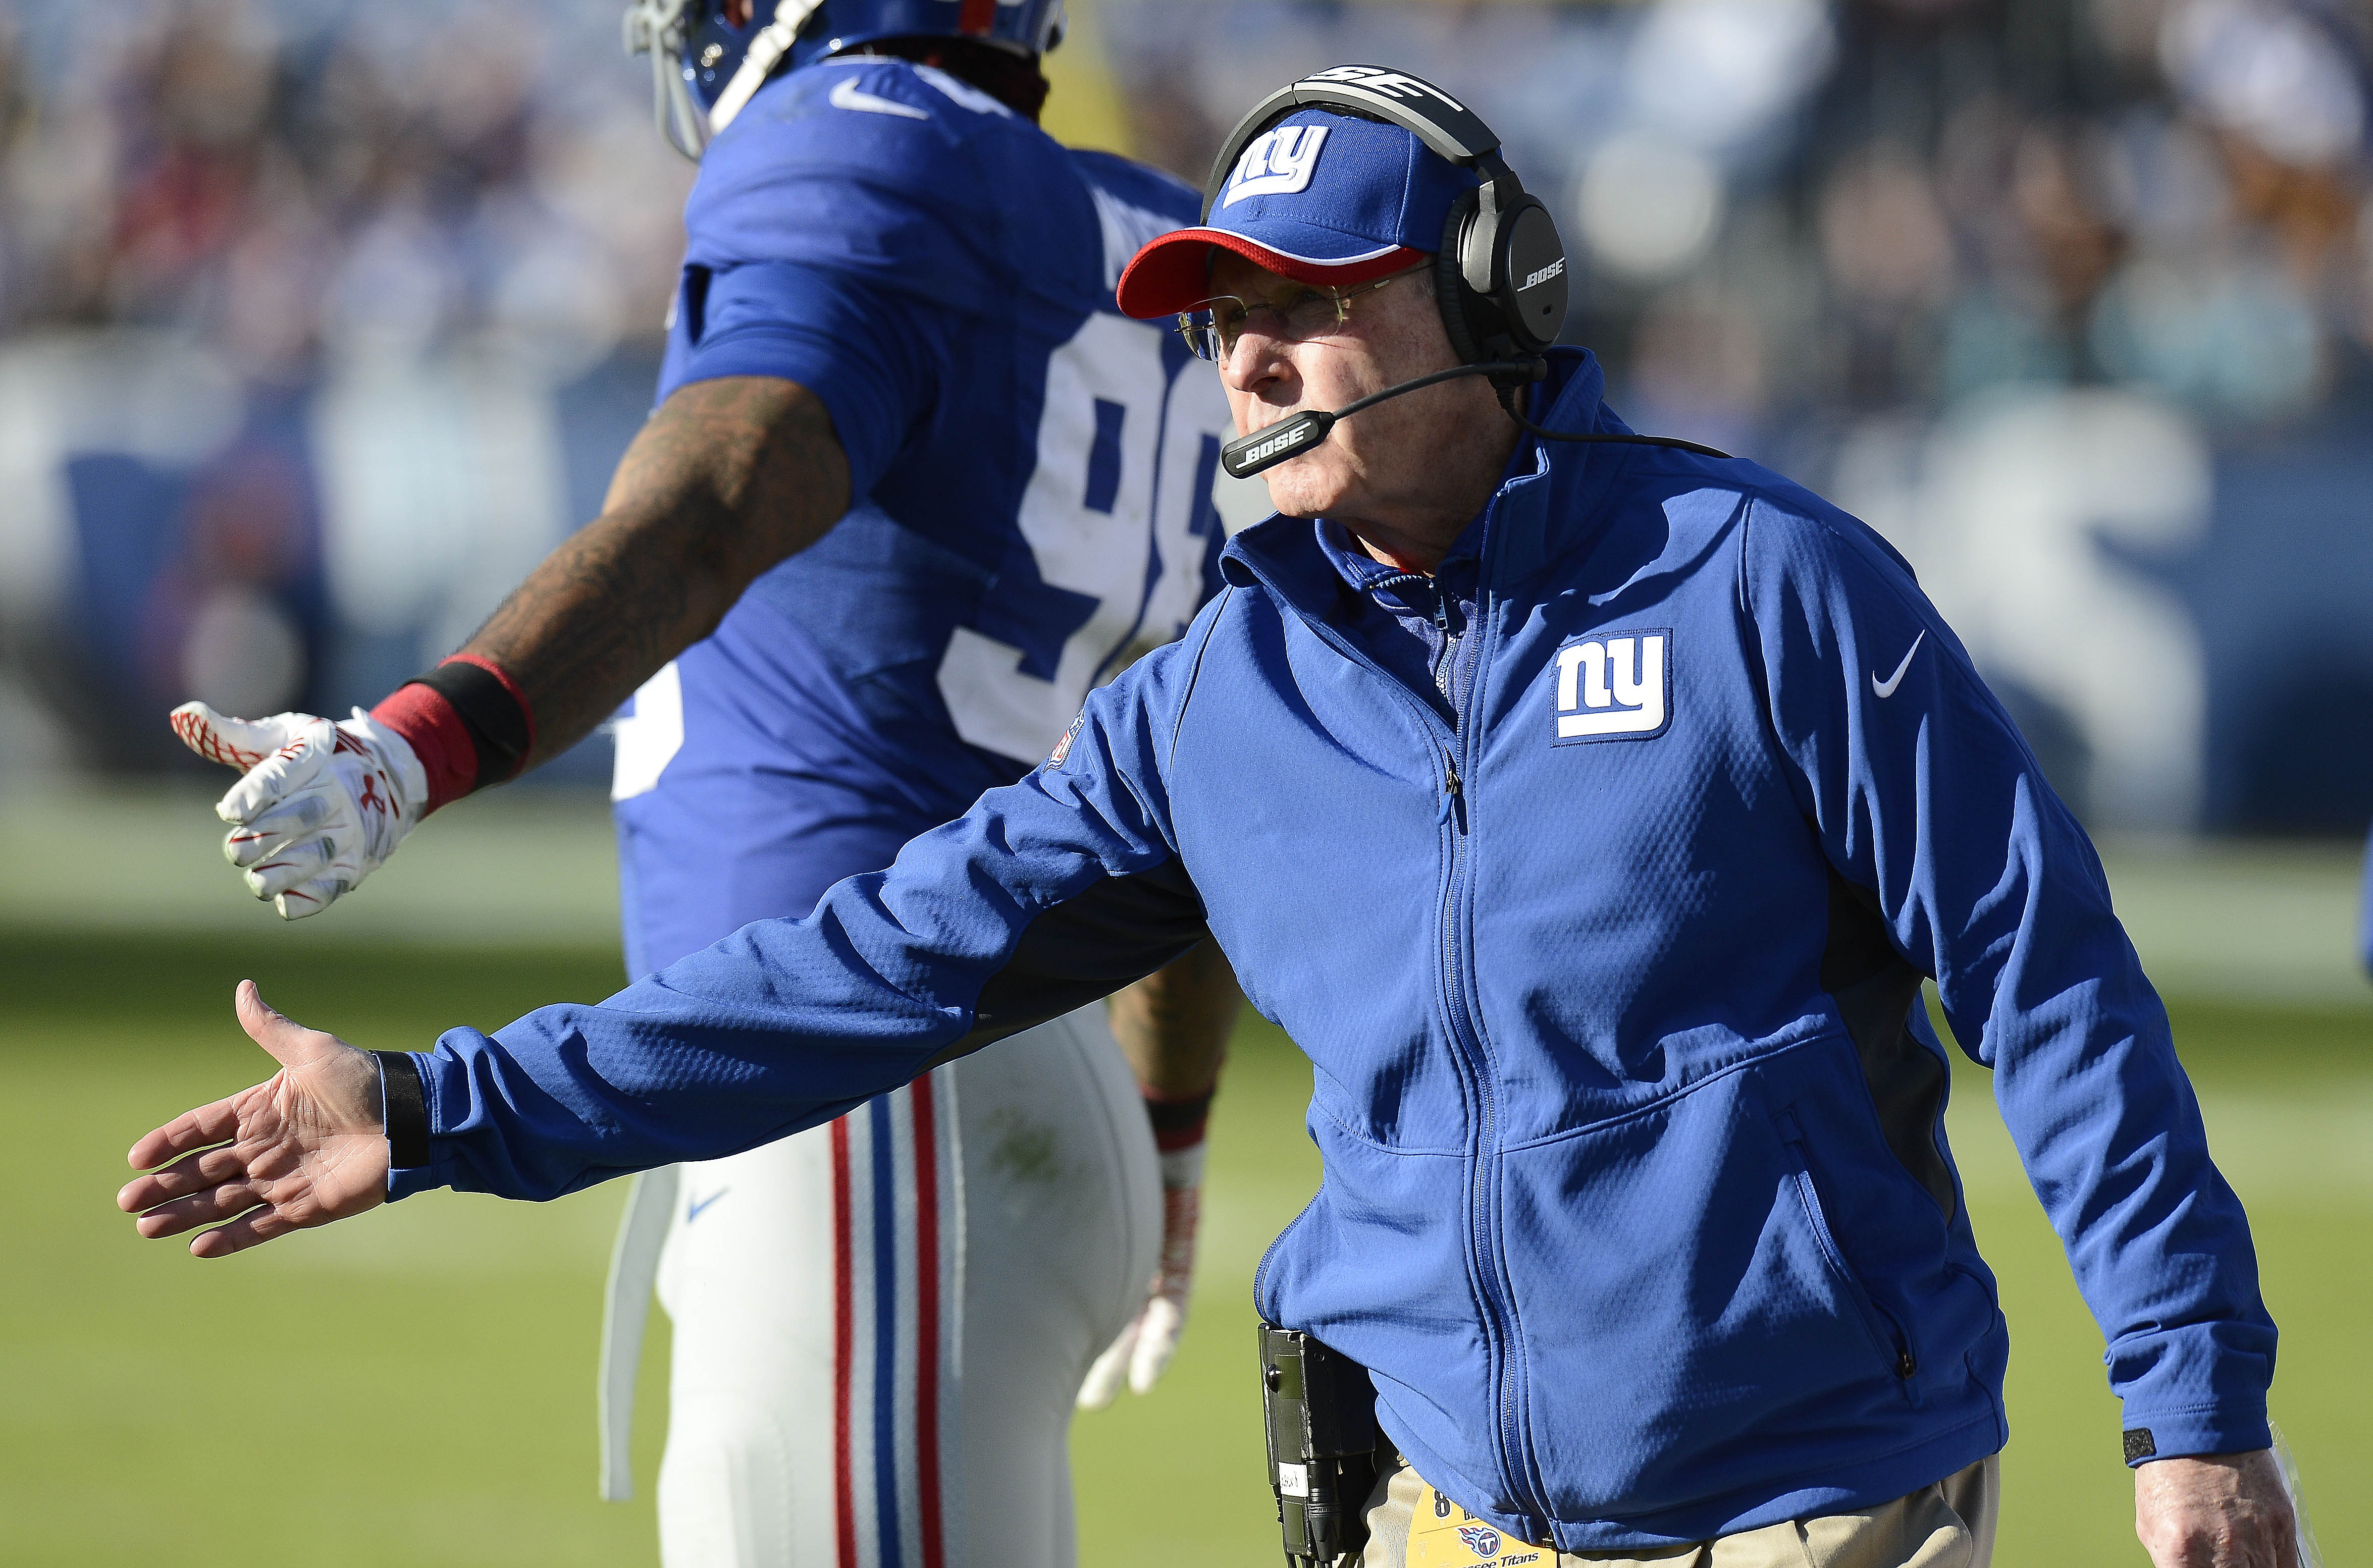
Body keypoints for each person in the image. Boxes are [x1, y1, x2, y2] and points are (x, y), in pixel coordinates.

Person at [129, 66, 2301, 1568]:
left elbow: (2059, 988)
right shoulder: (1220, 700)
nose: (1251, 360)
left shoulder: (1769, 586)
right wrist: (439, 1113)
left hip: (1826, 1495)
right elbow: (861, 976)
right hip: (1440, 1516)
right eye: (1225, 318)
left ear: (1498, 301)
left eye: (1311, 303)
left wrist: (2191, 1404)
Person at [159, 4, 1245, 1564]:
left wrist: (416, 741)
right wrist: (1170, 1112)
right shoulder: (1154, 237)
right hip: (983, 1081)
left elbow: (723, 492)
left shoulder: (867, 134)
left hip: (874, 1088)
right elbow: (1193, 746)